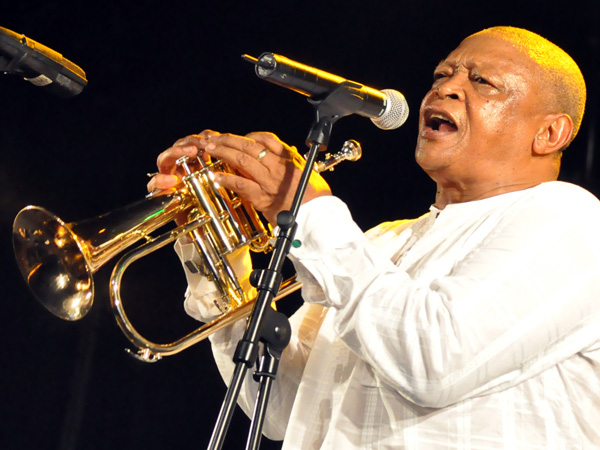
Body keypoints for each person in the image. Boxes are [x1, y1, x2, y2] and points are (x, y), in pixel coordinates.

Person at [148, 26, 600, 449]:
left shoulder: (571, 218)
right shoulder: (383, 241)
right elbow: (283, 408)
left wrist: (307, 208)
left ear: (549, 132)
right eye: (442, 74)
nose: (445, 87)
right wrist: (218, 264)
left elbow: (434, 363)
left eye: (482, 81)